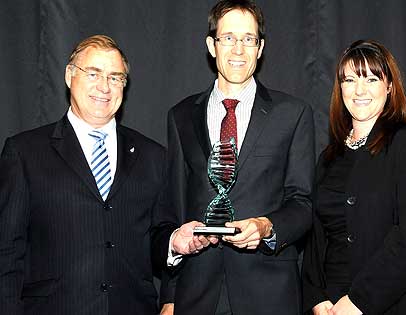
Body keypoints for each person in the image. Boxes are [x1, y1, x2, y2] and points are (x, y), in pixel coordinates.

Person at [0, 34, 207, 315]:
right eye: (94, 73)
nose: (104, 87)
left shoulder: (152, 156)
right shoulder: (25, 152)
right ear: (69, 76)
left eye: (115, 77)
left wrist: (174, 243)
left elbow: (157, 237)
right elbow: (7, 252)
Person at [159, 1, 315, 314]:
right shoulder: (181, 116)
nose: (238, 49)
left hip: (269, 294)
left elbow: (304, 204)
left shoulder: (293, 114)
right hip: (197, 294)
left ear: (260, 48)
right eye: (228, 38)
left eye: (248, 39)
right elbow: (173, 211)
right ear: (211, 45)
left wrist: (267, 226)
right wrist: (169, 296)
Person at [301, 39, 406, 315]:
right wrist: (316, 297)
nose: (360, 90)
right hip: (331, 307)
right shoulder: (328, 158)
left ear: (389, 86)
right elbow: (315, 240)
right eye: (350, 79)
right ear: (340, 89)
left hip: (392, 304)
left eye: (371, 78)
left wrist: (357, 302)